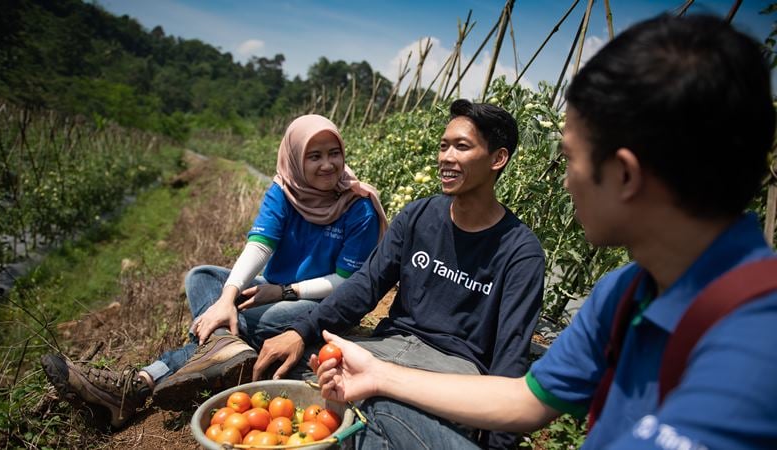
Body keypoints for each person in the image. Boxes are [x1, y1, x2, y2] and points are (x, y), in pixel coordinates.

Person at [314, 14, 777, 449]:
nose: (566, 179)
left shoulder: (757, 347)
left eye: (571, 158)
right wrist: (378, 374)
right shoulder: (625, 291)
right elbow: (525, 400)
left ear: (624, 175)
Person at [41, 114, 388, 428]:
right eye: (315, 156)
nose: (328, 165)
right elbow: (260, 245)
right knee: (203, 277)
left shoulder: (358, 207)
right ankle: (224, 347)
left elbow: (345, 282)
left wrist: (284, 291)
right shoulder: (284, 191)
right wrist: (227, 297)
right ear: (295, 158)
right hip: (274, 290)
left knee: (253, 318)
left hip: (319, 306)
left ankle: (139, 384)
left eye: (334, 153)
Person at [255, 100, 545, 448]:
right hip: (386, 349)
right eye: (443, 145)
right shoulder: (418, 216)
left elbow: (511, 352)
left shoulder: (520, 251)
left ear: (497, 159)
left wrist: (496, 443)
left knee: (377, 409)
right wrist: (301, 332)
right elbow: (366, 284)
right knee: (292, 365)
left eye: (462, 147)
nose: (446, 157)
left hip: (451, 372)